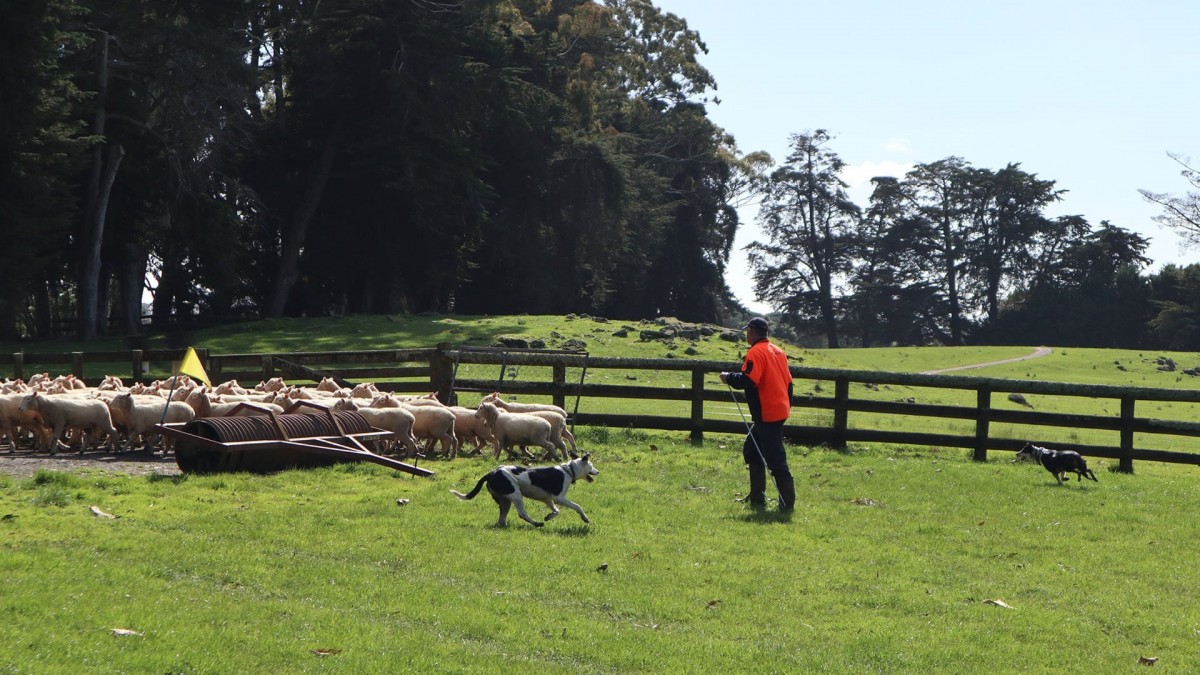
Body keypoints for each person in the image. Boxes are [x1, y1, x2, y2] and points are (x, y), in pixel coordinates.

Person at [719, 317, 796, 511]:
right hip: (778, 409)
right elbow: (789, 383)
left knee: (775, 459)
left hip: (767, 412)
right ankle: (756, 496)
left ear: (752, 332)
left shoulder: (755, 352)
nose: (746, 334)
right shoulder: (778, 351)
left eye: (747, 331)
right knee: (752, 451)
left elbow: (749, 380)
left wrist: (729, 377)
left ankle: (787, 504)